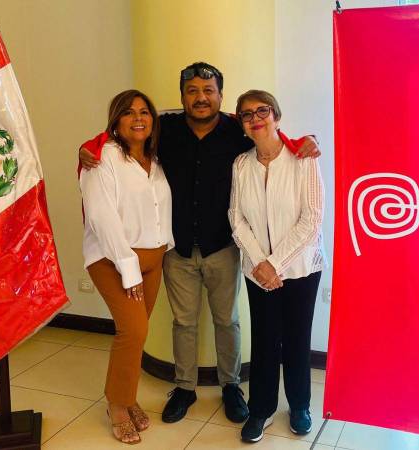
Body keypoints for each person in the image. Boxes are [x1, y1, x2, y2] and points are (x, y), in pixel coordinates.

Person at [79, 62, 320, 425]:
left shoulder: (238, 132)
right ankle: (185, 388)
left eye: (208, 90)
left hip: (223, 246)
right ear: (182, 97)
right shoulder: (166, 129)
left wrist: (309, 139)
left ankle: (230, 386)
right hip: (176, 250)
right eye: (192, 90)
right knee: (184, 322)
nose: (201, 97)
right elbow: (127, 128)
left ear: (220, 96)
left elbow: (274, 138)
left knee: (228, 322)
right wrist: (90, 145)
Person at [228, 90, 324, 443]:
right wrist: (260, 263)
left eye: (262, 111)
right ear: (242, 124)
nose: (256, 118)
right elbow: (235, 219)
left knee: (297, 339)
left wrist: (274, 263)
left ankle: (299, 405)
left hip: (300, 268)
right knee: (265, 340)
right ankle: (261, 409)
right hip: (258, 272)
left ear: (276, 116)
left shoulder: (302, 158)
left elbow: (312, 218)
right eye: (247, 114)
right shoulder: (241, 165)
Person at [79, 89, 174, 444]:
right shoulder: (102, 158)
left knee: (137, 332)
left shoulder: (156, 159)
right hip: (114, 258)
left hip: (155, 255)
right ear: (116, 121)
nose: (138, 118)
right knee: (132, 332)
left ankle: (127, 394)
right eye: (129, 112)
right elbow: (101, 217)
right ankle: (117, 405)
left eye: (145, 112)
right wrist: (128, 267)